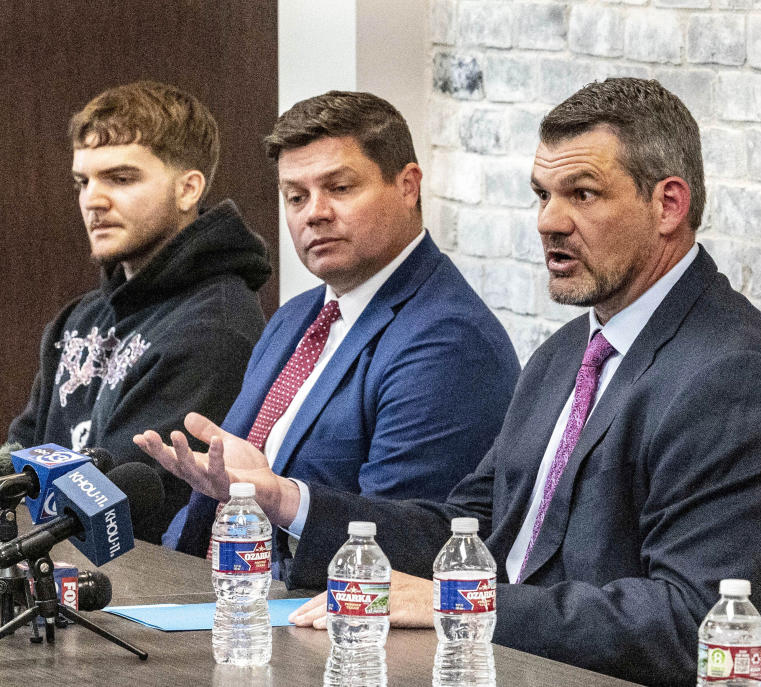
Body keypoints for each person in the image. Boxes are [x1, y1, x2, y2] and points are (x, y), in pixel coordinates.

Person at [136, 78, 761, 686]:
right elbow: (455, 529)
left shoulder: (734, 379)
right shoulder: (568, 353)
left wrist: (456, 601)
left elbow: (690, 624)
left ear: (668, 204)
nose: (549, 221)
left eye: (582, 194)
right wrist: (285, 497)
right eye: (543, 194)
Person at [161, 91, 520, 575]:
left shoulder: (449, 342)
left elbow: (409, 544)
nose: (315, 212)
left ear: (408, 185)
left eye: (340, 188)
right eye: (296, 196)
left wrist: (283, 499)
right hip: (215, 602)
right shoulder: (295, 317)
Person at [7, 81, 271, 543]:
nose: (93, 199)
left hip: (137, 592)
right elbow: (20, 456)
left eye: (121, 178)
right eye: (83, 181)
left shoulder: (217, 326)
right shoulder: (77, 318)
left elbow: (123, 501)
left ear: (189, 189)